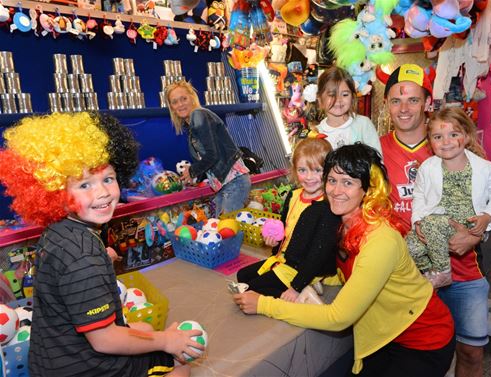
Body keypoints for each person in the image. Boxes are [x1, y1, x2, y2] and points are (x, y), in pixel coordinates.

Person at [0, 112, 204, 376]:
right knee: (181, 368)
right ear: (54, 194)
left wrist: (98, 258)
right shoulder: (84, 258)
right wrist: (168, 340)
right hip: (89, 367)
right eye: (84, 184)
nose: (103, 193)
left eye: (108, 178)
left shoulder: (60, 231)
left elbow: (67, 269)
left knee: (145, 329)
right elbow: (104, 339)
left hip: (51, 360)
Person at [234, 144, 455, 377]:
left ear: (368, 190)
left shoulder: (380, 240)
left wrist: (263, 304)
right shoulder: (337, 222)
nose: (336, 190)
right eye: (331, 180)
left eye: (348, 182)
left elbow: (338, 317)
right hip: (382, 335)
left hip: (423, 340)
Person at [380, 64, 490, 377]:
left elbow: (490, 200)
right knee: (410, 359)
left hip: (462, 269)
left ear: (429, 103)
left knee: (469, 353)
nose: (404, 108)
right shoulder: (375, 149)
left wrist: (475, 235)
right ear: (387, 104)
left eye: (413, 100)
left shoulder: (449, 140)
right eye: (397, 100)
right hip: (407, 273)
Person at [406, 107, 491, 289]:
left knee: (432, 223)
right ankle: (430, 271)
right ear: (430, 141)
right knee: (409, 247)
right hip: (434, 223)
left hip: (465, 224)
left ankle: (442, 272)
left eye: (453, 135)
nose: (446, 142)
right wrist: (417, 221)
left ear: (467, 136)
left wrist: (487, 217)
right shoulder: (427, 168)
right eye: (438, 137)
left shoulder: (486, 168)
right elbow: (419, 196)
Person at [236, 138, 341, 301]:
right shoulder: (293, 195)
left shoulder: (326, 207)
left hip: (303, 266)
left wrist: (296, 286)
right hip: (285, 258)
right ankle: (307, 285)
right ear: (294, 170)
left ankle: (304, 294)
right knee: (242, 276)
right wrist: (273, 242)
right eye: (302, 170)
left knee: (250, 290)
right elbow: (284, 230)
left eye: (317, 170)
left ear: (328, 172)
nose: (309, 177)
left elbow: (317, 255)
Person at [165, 80, 251, 216]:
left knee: (226, 232)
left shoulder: (198, 115)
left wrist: (192, 171)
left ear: (192, 98)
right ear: (171, 107)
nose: (180, 104)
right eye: (175, 102)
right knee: (219, 229)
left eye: (183, 99)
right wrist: (196, 178)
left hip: (233, 182)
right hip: (225, 184)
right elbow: (209, 158)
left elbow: (212, 155)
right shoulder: (192, 124)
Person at [316, 66, 382, 153]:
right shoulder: (316, 133)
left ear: (353, 97)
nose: (338, 100)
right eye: (332, 95)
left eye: (345, 95)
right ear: (320, 98)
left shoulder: (363, 125)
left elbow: (377, 160)